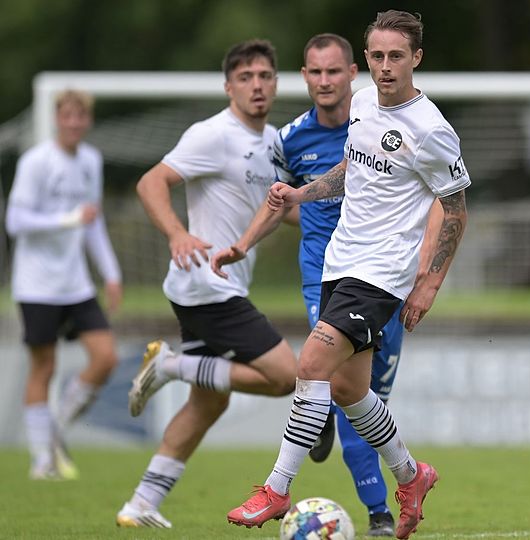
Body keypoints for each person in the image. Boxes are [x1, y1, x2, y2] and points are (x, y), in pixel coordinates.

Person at [225, 11, 470, 539]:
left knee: (311, 363)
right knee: (349, 390)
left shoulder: (431, 130)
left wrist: (428, 283)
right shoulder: (361, 103)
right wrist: (300, 193)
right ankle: (412, 475)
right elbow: (349, 172)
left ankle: (276, 488)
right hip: (340, 261)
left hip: (382, 273)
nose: (385, 67)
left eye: (396, 56)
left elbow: (455, 210)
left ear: (416, 58)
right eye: (377, 56)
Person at [114, 39, 298, 528]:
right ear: (228, 87)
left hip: (210, 287)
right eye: (245, 77)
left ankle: (141, 503)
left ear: (276, 83)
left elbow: (280, 210)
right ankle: (171, 365)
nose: (256, 85)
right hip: (208, 284)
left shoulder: (273, 141)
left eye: (264, 76)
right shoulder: (212, 134)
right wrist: (177, 233)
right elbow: (151, 182)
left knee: (209, 401)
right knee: (285, 376)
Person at [5, 89, 123, 481]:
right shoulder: (36, 162)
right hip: (36, 284)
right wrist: (67, 219)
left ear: (88, 120)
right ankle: (42, 460)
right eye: (67, 116)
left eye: (80, 116)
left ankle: (54, 431)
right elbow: (15, 222)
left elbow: (93, 222)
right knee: (45, 365)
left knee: (105, 357)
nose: (74, 123)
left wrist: (111, 272)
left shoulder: (91, 160)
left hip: (77, 284)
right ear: (57, 119)